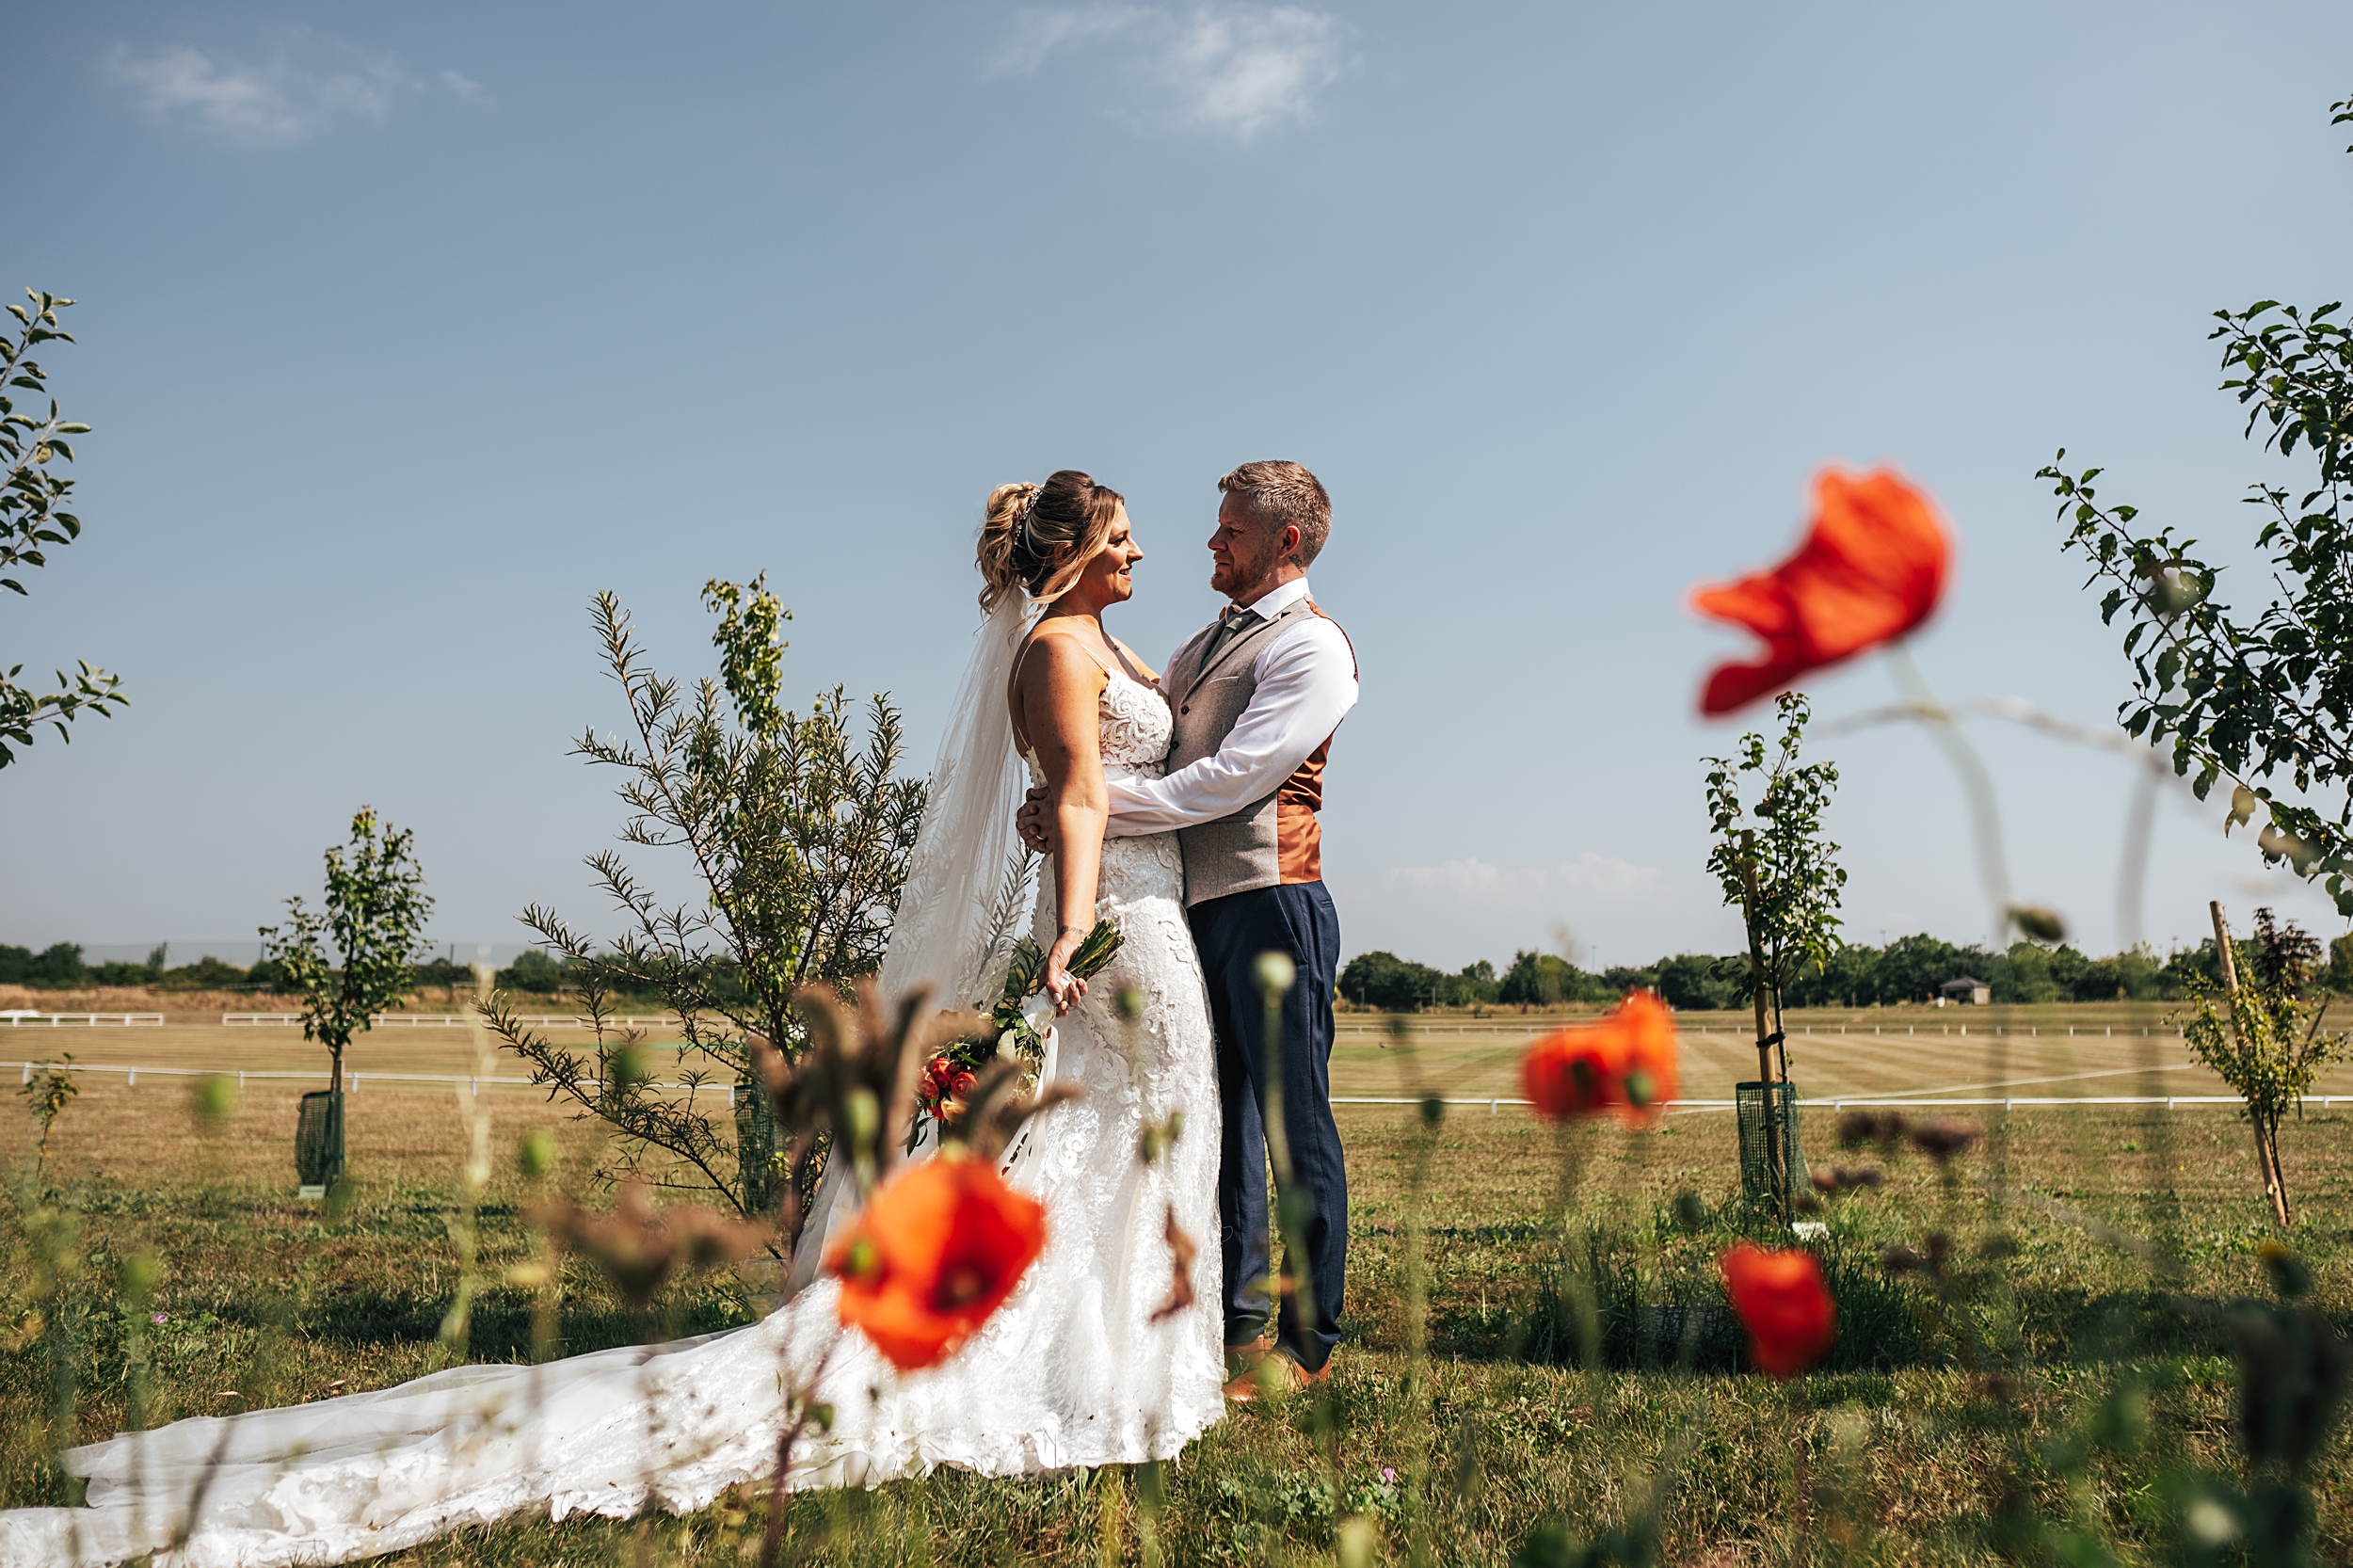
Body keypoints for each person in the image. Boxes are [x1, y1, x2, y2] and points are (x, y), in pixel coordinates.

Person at [0, 471, 1226, 1568]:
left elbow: (1108, 780)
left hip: (1146, 897)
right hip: (1119, 917)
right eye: (1121, 538)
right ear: (1073, 552)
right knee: (1129, 1130)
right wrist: (1068, 930)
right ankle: (1082, 1369)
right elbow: (1071, 795)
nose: (1137, 555)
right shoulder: (1060, 654)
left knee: (1131, 1140)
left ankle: (1116, 1357)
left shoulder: (1106, 648)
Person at [1019, 459, 1358, 1398]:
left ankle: (1311, 1340)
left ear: (1284, 542)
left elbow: (1231, 780)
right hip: (1182, 905)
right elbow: (1126, 747)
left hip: (1272, 899)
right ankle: (1235, 1321)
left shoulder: (1313, 650)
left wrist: (1092, 808)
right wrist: (1059, 804)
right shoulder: (1196, 645)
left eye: (1231, 529)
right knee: (1223, 1117)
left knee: (1294, 1122)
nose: (1211, 541)